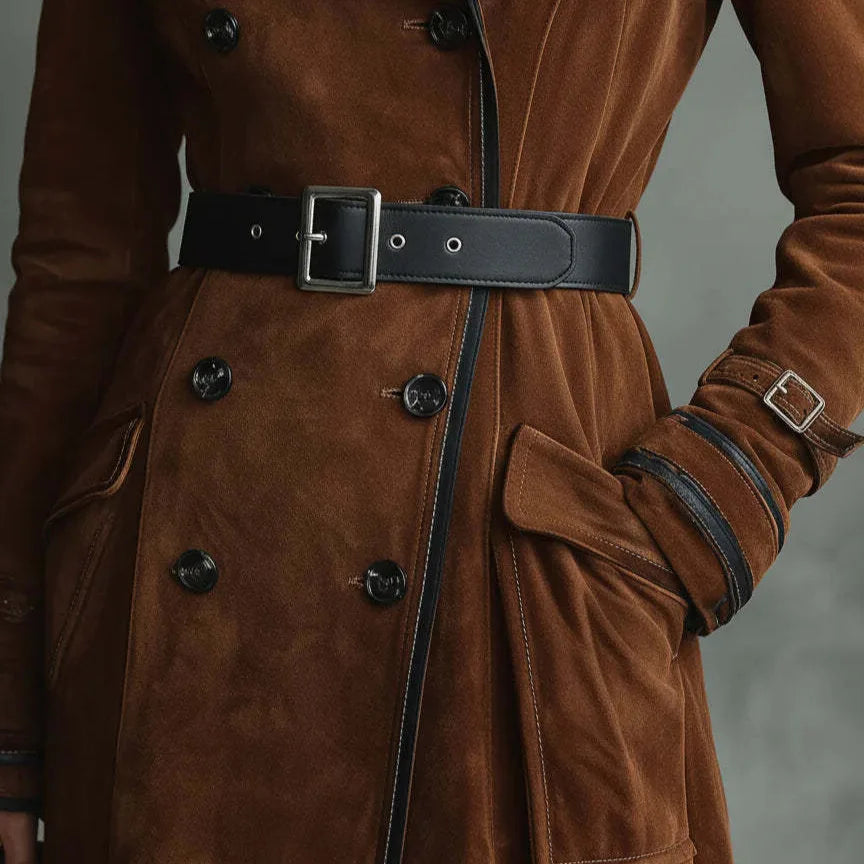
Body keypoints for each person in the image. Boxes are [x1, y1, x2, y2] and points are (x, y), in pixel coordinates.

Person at [1, 1, 862, 862]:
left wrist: (720, 487)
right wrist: (9, 713)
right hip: (190, 557)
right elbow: (78, 258)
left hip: (516, 555)